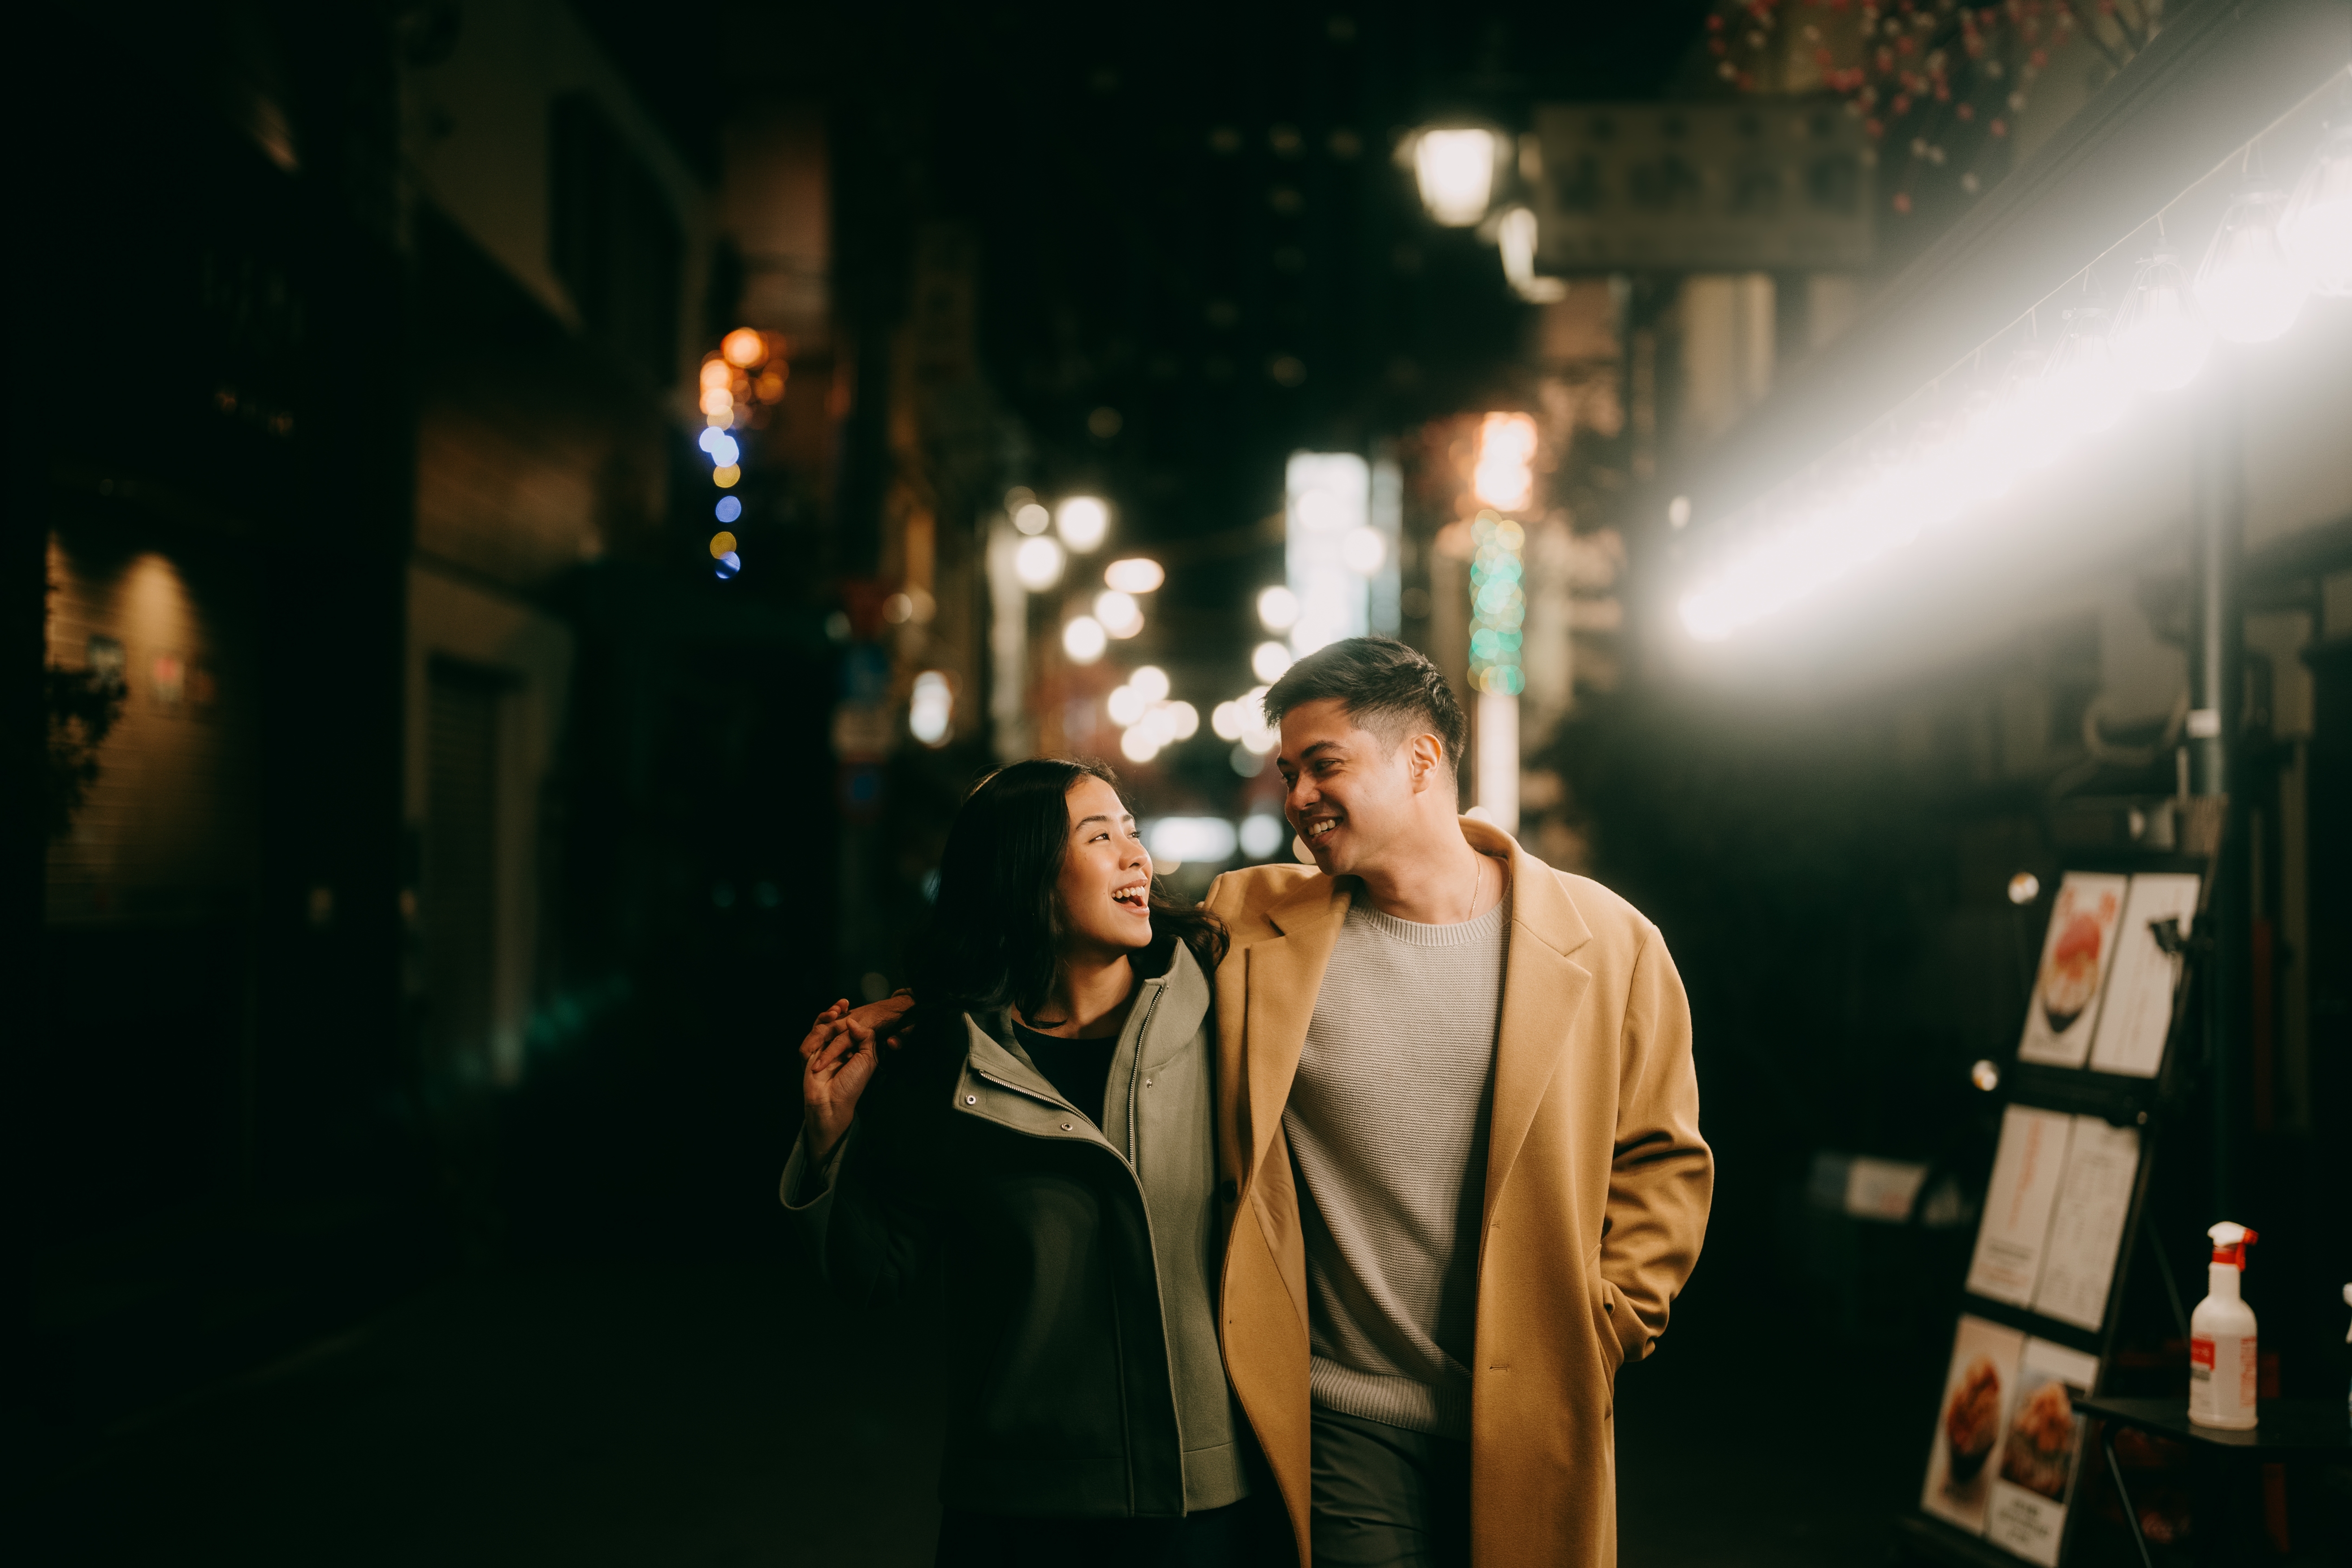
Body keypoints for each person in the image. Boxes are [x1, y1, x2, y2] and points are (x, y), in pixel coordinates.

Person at [1204, 637, 1713, 1568]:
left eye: (1324, 766)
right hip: (1340, 1411)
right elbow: (1095, 946)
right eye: (1288, 773)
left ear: (1421, 760)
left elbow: (1661, 1157)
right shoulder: (1250, 926)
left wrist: (1607, 1321)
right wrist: (921, 1010)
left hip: (1532, 1399)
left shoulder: (1609, 942)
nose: (1297, 799)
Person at [785, 757, 1285, 1567]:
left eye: (1132, 828)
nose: (1137, 856)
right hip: (1016, 1511)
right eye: (1100, 836)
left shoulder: (1223, 1010)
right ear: (1026, 877)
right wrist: (828, 1138)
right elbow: (870, 1274)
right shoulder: (945, 1067)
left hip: (1205, 1506)